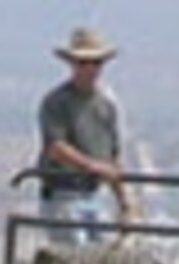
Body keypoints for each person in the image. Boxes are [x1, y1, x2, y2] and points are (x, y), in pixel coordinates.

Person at [38, 28, 133, 244]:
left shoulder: (106, 106)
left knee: (102, 259)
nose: (90, 69)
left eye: (96, 63)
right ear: (72, 64)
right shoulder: (56, 102)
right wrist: (93, 166)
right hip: (63, 194)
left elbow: (112, 157)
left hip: (94, 195)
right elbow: (57, 147)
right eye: (83, 63)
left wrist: (124, 203)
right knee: (75, 256)